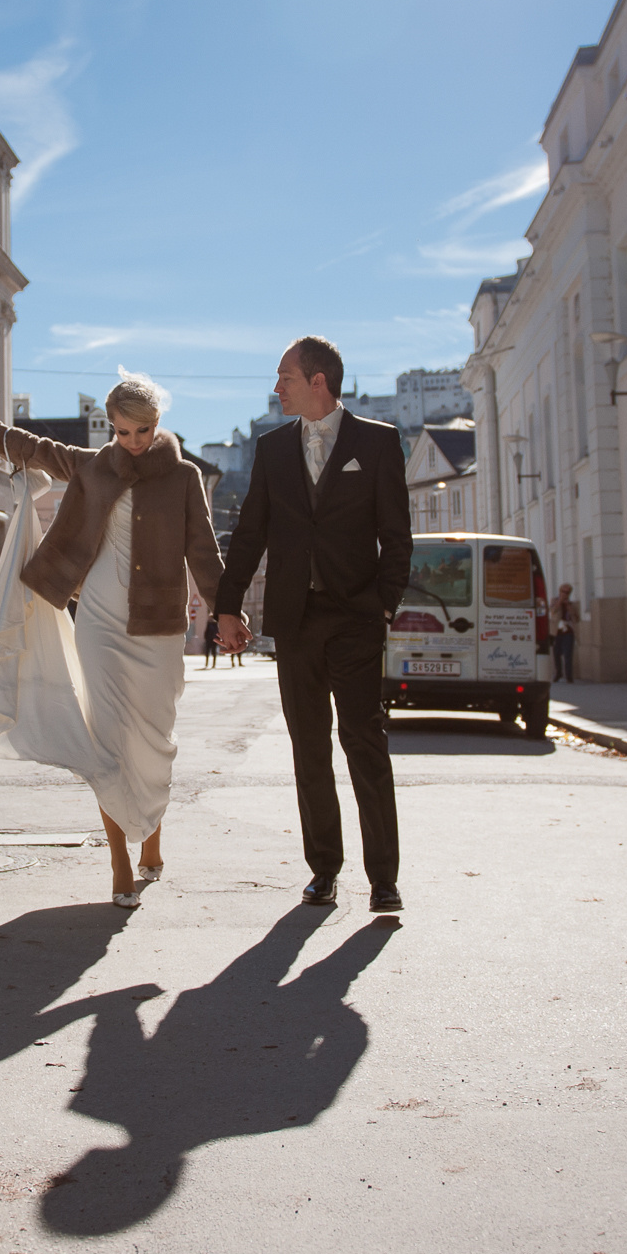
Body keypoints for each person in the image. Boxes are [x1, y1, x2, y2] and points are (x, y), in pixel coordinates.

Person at [0, 375, 224, 909]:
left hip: (159, 625)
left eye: (143, 430)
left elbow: (203, 549)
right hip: (100, 620)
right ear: (112, 428)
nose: (134, 441)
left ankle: (151, 838)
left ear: (158, 424)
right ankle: (119, 863)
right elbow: (31, 447)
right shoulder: (93, 464)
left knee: (153, 742)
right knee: (109, 741)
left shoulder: (183, 478)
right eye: (123, 431)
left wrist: (226, 611)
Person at [215, 337, 412, 915]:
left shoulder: (377, 443)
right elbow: (250, 531)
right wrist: (228, 606)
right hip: (296, 621)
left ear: (318, 380)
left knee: (364, 744)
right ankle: (324, 870)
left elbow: (396, 536)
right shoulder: (273, 449)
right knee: (309, 750)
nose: (277, 388)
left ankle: (383, 879)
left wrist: (382, 605)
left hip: (356, 619)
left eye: (285, 377)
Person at [550, 583, 579, 683]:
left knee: (568, 654)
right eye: (563, 592)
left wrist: (568, 607)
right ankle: (558, 673)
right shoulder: (554, 601)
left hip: (568, 631)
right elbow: (552, 611)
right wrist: (560, 601)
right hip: (557, 631)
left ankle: (569, 676)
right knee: (556, 653)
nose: (565, 594)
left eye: (567, 593)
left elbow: (576, 618)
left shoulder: (572, 604)